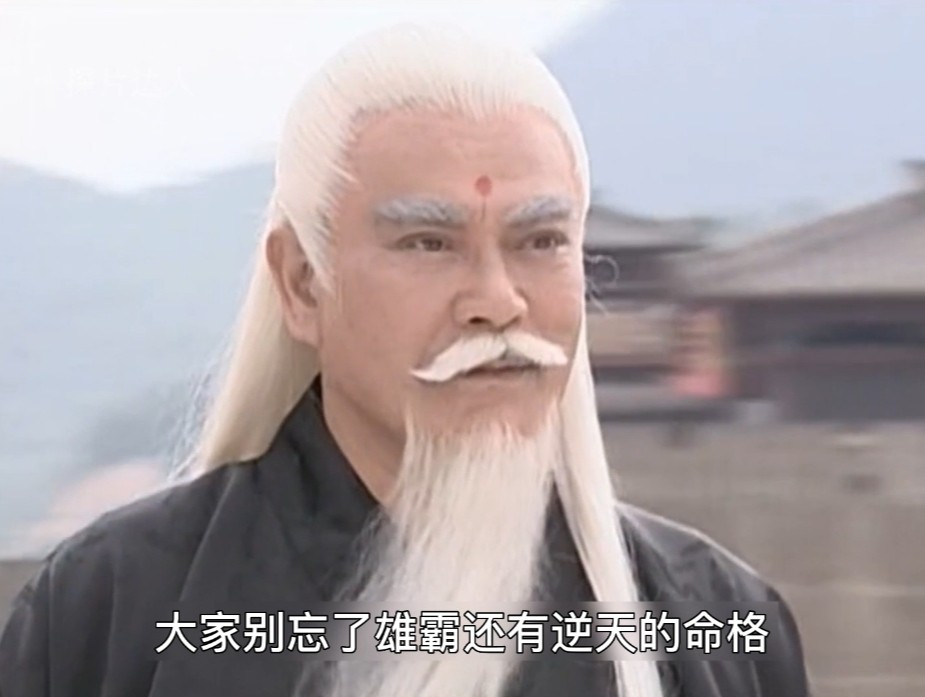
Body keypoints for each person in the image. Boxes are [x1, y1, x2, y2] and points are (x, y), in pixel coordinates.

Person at [0, 24, 811, 697]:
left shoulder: (711, 624)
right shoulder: (113, 612)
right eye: (428, 242)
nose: (497, 301)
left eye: (539, 241)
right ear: (302, 282)